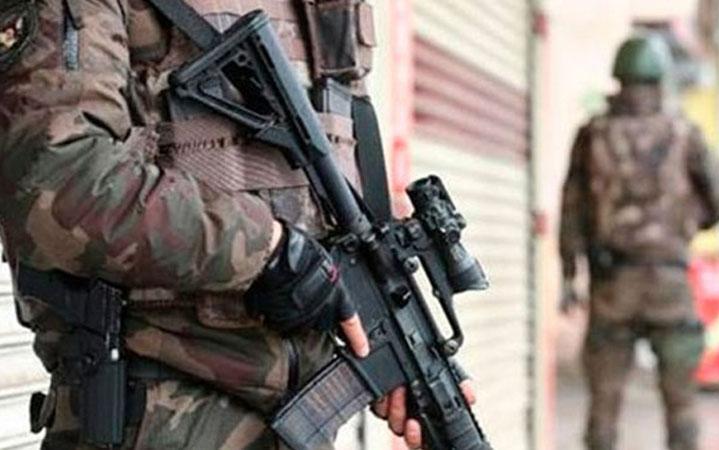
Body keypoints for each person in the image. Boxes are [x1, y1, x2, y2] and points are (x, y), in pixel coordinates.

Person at [0, 0, 473, 448]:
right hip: (153, 418)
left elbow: (328, 177)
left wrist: (393, 341)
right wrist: (268, 252)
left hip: (301, 423)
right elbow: (55, 179)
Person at [559, 34, 719, 450]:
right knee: (681, 407)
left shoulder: (593, 134)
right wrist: (683, 228)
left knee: (603, 410)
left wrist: (570, 273)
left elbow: (572, 210)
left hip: (612, 286)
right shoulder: (685, 133)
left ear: (618, 77)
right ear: (660, 78)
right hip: (669, 284)